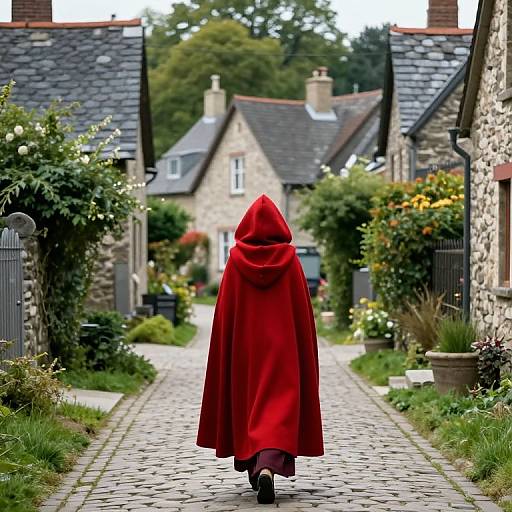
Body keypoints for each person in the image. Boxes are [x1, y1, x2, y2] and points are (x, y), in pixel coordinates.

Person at [197, 194, 323, 505]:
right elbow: (303, 317)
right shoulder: (291, 263)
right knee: (279, 405)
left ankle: (257, 466)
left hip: (245, 350)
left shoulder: (235, 263)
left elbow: (225, 316)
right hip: (284, 350)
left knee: (249, 404)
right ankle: (267, 465)